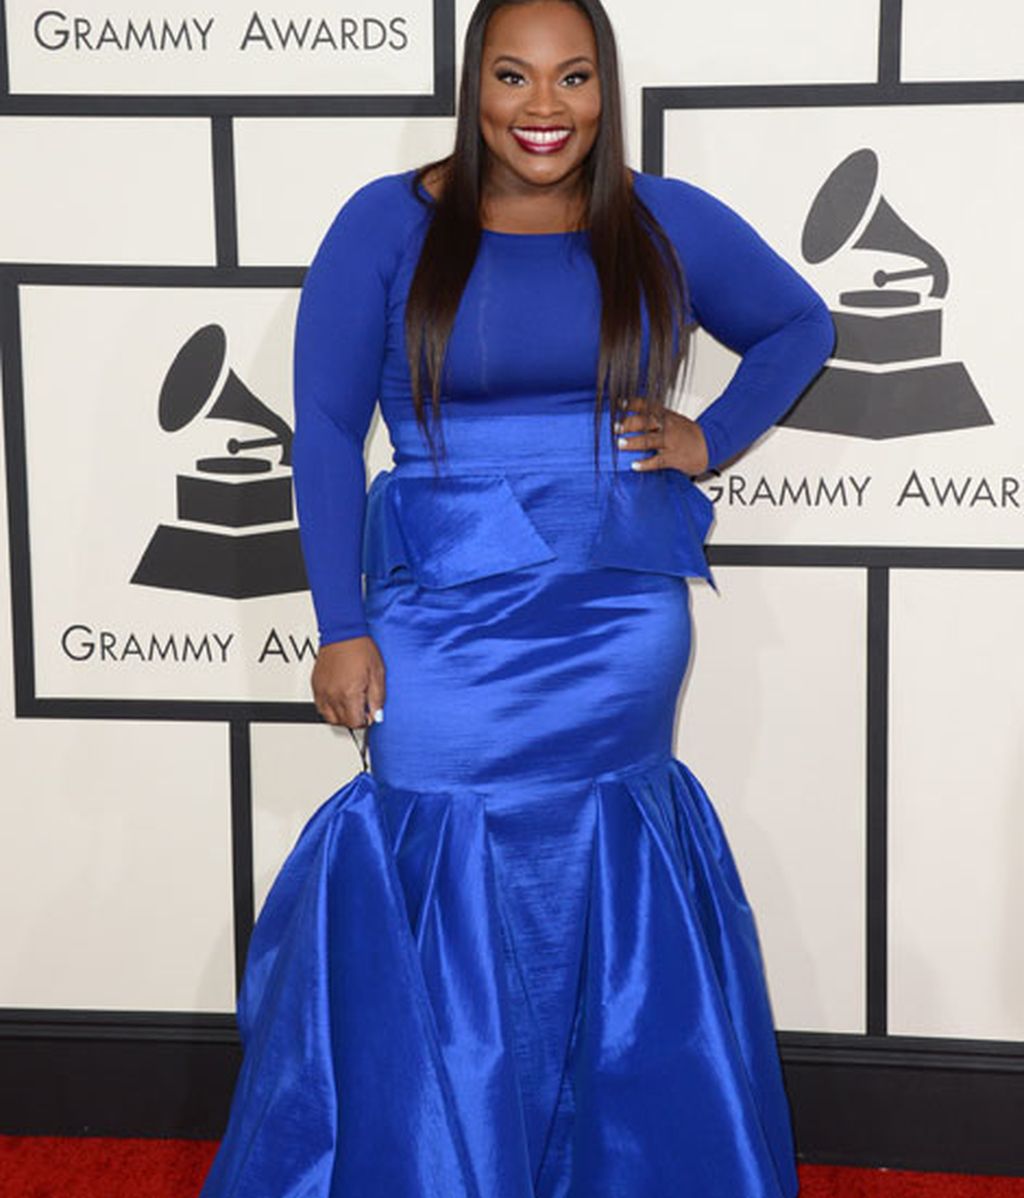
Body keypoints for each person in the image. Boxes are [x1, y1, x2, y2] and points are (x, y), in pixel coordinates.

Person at [198, 1, 835, 1195]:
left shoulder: (658, 221)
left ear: (606, 86)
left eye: (574, 78)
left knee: (608, 857)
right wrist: (340, 624)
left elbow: (803, 322)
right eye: (513, 76)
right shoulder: (388, 224)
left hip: (614, 613)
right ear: (471, 83)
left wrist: (714, 433)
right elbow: (329, 429)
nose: (544, 110)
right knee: (434, 836)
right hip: (436, 609)